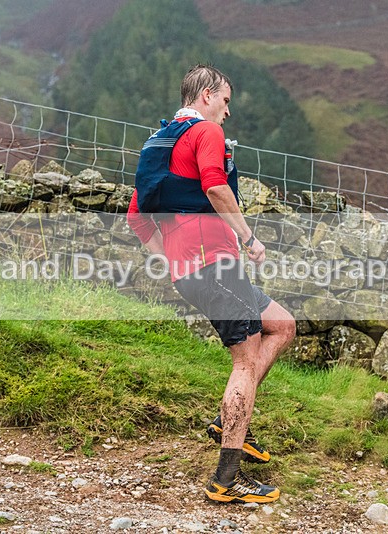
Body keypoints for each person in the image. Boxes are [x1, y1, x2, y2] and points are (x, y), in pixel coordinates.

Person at [127, 64, 296, 504]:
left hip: (196, 267)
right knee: (245, 360)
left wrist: (170, 261)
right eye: (225, 100)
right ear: (205, 95)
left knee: (282, 325)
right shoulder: (205, 134)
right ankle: (226, 478)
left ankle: (230, 421)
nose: (227, 110)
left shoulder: (160, 141)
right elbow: (217, 187)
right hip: (214, 263)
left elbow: (135, 215)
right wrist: (249, 237)